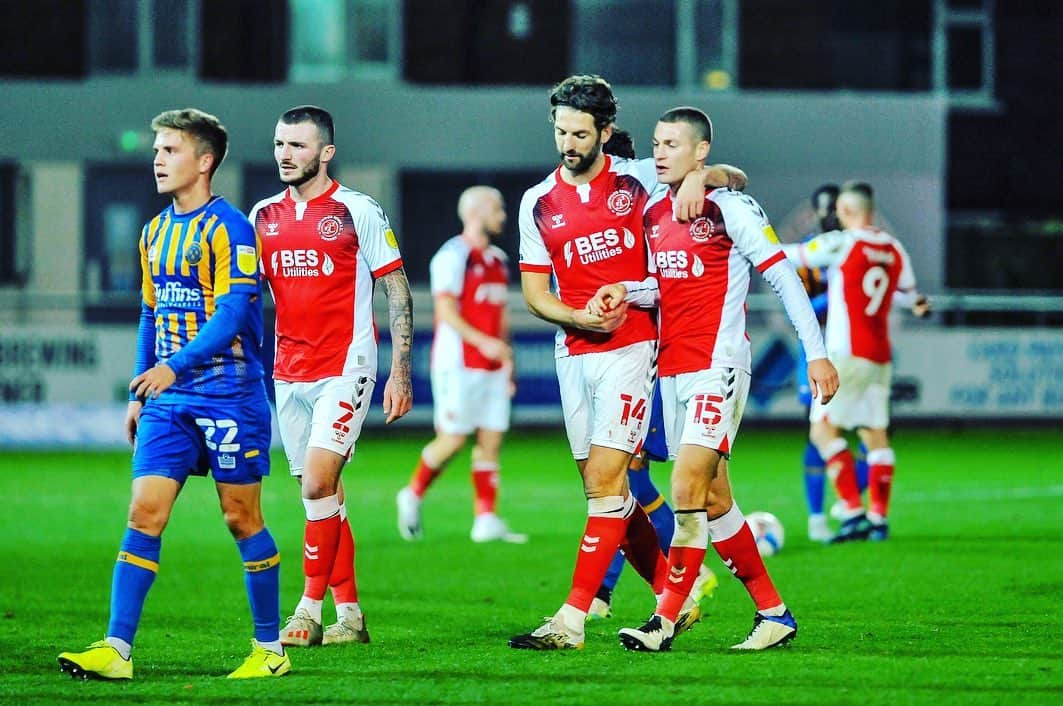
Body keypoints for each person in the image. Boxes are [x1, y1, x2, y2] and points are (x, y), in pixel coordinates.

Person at [589, 106, 838, 652]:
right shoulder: (655, 209)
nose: (659, 153)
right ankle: (774, 614)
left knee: (685, 488)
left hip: (718, 366)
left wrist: (816, 352)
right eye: (656, 143)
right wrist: (625, 292)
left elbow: (783, 277)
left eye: (672, 144)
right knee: (716, 498)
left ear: (701, 151)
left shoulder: (732, 207)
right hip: (672, 369)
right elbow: (662, 286)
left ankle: (664, 620)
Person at [508, 76, 744, 651]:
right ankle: (677, 598)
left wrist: (700, 176)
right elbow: (536, 293)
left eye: (580, 133)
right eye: (561, 130)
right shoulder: (537, 202)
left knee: (608, 484)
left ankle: (571, 619)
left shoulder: (638, 180)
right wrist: (576, 317)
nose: (568, 142)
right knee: (606, 488)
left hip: (635, 349)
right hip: (575, 350)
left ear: (605, 133)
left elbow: (732, 179)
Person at [58, 108, 289, 679]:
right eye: (157, 150)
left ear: (204, 161)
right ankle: (117, 650)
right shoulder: (154, 231)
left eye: (170, 150)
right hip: (169, 402)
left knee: (241, 519)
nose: (157, 159)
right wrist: (142, 387)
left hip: (229, 395)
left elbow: (235, 312)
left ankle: (269, 651)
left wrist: (175, 365)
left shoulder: (230, 228)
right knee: (144, 514)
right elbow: (149, 313)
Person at [249, 106, 413, 647]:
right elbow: (249, 297)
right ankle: (352, 615)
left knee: (318, 483)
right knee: (323, 497)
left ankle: (306, 611)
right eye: (279, 144)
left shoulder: (356, 210)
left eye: (297, 146)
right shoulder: (263, 217)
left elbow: (396, 288)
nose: (285, 155)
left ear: (326, 153)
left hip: (346, 367)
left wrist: (401, 371)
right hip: (286, 372)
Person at [589, 128, 716, 620]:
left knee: (626, 475)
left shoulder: (643, 190)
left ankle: (674, 575)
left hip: (655, 359)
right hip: (631, 357)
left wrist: (702, 176)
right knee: (621, 477)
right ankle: (610, 588)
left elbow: (732, 178)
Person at [783, 181, 929, 543]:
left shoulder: (841, 242)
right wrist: (917, 305)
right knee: (874, 433)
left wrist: (748, 240)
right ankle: (879, 518)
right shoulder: (894, 248)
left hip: (845, 355)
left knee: (822, 432)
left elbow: (796, 255)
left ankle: (852, 513)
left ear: (845, 212)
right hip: (879, 356)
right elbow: (909, 294)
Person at [395, 186, 526, 543]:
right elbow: (446, 312)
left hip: (493, 365)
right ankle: (412, 494)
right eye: (496, 208)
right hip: (458, 364)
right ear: (476, 212)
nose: (502, 214)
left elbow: (500, 316)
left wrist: (507, 356)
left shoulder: (498, 259)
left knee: (491, 439)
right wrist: (483, 341)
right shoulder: (452, 256)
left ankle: (485, 519)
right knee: (453, 439)